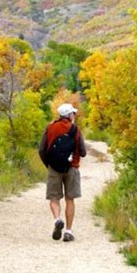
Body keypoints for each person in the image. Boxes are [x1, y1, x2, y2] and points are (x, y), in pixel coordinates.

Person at [39, 103, 86, 242]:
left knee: (54, 199)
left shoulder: (50, 127)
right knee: (69, 199)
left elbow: (41, 150)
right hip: (72, 167)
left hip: (54, 168)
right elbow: (83, 152)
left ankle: (57, 220)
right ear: (69, 115)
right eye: (73, 113)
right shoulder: (75, 129)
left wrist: (49, 164)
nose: (74, 116)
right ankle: (68, 232)